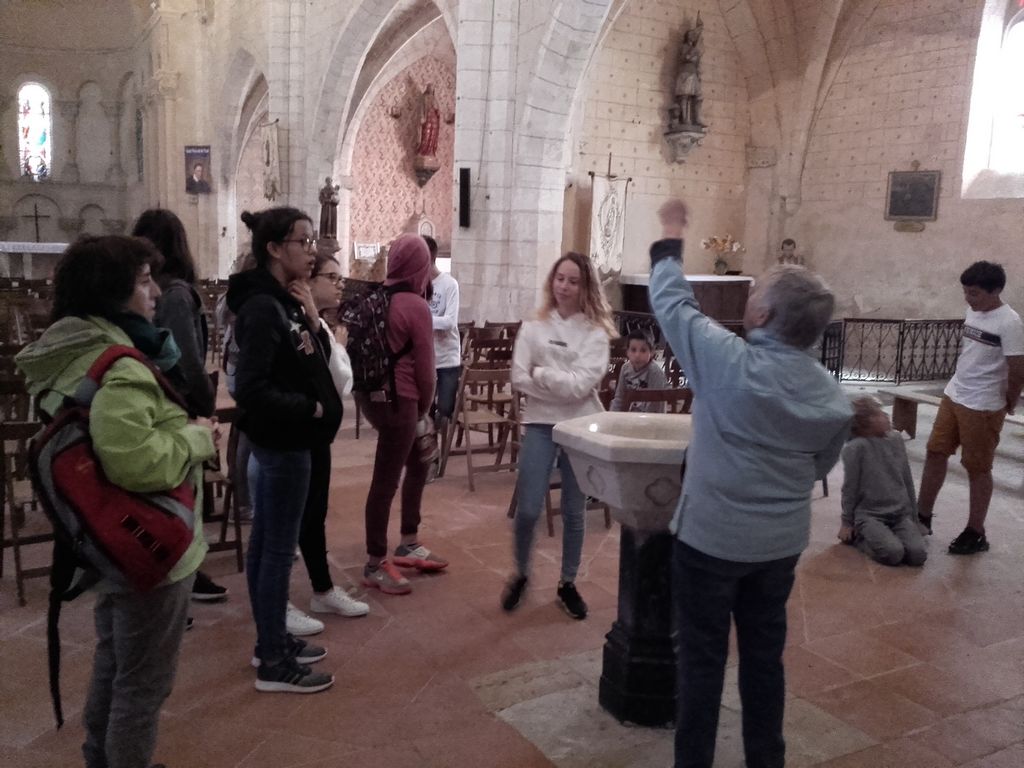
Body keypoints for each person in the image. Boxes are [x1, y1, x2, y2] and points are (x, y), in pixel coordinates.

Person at [648, 199, 851, 768]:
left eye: (754, 291)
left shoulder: (727, 361)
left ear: (761, 314)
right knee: (764, 660)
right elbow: (819, 466)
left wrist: (671, 232)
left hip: (710, 542)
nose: (749, 297)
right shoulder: (833, 398)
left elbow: (670, 300)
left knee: (701, 663)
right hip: (778, 547)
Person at [15, 235, 219, 768]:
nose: (156, 292)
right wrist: (197, 438)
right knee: (143, 684)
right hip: (147, 542)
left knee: (115, 662)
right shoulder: (121, 367)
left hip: (104, 534)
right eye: (144, 281)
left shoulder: (70, 353)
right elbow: (137, 463)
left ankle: (99, 758)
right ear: (112, 293)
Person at [227, 207, 342, 693]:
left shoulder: (285, 300)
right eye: (303, 241)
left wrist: (311, 320)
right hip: (283, 442)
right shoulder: (260, 307)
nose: (312, 250)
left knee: (269, 547)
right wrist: (309, 408)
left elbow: (313, 359)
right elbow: (250, 388)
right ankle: (273, 660)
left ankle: (270, 641)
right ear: (274, 248)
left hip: (295, 442)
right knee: (275, 552)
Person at [501, 252, 615, 620]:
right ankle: (521, 573)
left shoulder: (595, 333)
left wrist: (543, 374)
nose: (564, 286)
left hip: (579, 427)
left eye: (573, 281)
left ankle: (568, 583)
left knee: (573, 509)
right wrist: (557, 382)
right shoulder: (534, 326)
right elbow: (519, 377)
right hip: (540, 423)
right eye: (559, 278)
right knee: (528, 508)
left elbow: (581, 387)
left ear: (586, 288)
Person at [132, 208, 226, 603]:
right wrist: (204, 399)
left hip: (165, 399)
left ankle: (183, 570)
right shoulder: (174, 294)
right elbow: (185, 357)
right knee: (180, 493)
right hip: (175, 402)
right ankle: (181, 573)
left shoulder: (166, 291)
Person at [355, 234, 447, 596]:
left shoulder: (375, 297)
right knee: (386, 480)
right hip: (402, 400)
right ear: (420, 266)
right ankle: (375, 561)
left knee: (417, 462)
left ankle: (408, 541)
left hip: (372, 398)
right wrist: (423, 409)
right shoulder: (415, 305)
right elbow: (427, 370)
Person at [916, 261, 1024, 555]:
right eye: (965, 292)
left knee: (977, 467)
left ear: (995, 291)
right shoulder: (972, 312)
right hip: (955, 394)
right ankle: (922, 516)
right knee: (935, 452)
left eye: (974, 293)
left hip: (983, 404)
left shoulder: (1009, 322)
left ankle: (975, 532)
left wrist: (1009, 400)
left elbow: (1017, 368)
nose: (968, 298)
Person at [287, 252, 370, 625]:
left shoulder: (316, 322)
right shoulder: (297, 321)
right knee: (286, 520)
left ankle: (322, 590)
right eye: (332, 277)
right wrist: (332, 343)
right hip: (295, 431)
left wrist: (329, 339)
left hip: (317, 433)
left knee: (314, 513)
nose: (340, 285)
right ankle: (276, 603)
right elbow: (335, 377)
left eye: (341, 278)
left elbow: (343, 382)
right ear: (308, 281)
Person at [838, 397, 927, 567]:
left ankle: (888, 535)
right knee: (893, 553)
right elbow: (850, 488)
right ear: (864, 423)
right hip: (870, 515)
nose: (886, 416)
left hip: (900, 513)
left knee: (918, 555)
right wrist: (847, 522)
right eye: (878, 414)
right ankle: (860, 539)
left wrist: (914, 518)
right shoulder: (856, 448)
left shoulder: (896, 439)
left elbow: (906, 479)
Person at [425, 236, 461, 435]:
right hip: (426, 358)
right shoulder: (417, 284)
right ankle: (430, 449)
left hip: (447, 358)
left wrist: (422, 319)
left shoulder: (449, 284)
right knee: (425, 411)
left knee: (445, 410)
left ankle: (443, 448)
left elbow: (449, 322)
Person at [610, 329, 667, 412]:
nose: (637, 355)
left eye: (643, 350)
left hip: (651, 416)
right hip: (630, 415)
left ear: (651, 352)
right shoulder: (625, 369)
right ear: (627, 352)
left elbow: (655, 406)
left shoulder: (655, 373)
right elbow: (619, 398)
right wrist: (612, 415)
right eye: (633, 350)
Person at [416, 84, 440, 157]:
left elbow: (437, 110)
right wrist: (422, 117)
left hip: (434, 120)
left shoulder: (434, 99)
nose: (431, 89)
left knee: (432, 135)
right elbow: (421, 108)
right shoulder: (424, 98)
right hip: (427, 119)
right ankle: (422, 151)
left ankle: (430, 152)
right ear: (427, 89)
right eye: (429, 88)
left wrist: (438, 111)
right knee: (426, 135)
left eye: (432, 88)